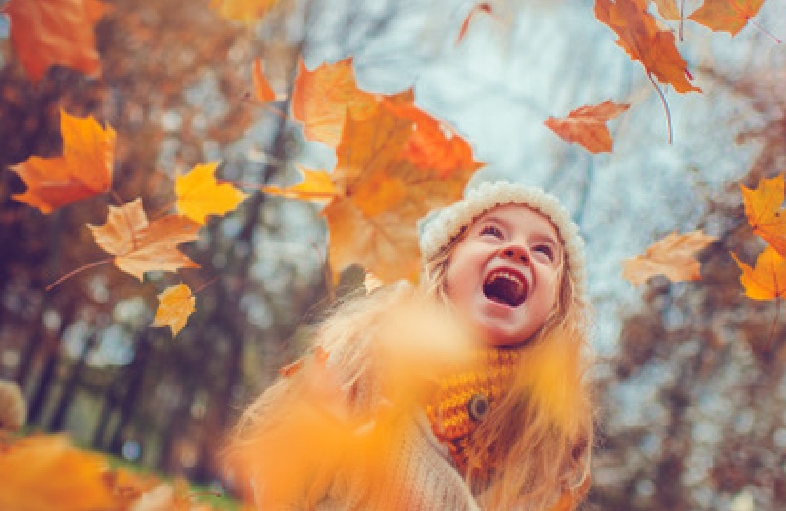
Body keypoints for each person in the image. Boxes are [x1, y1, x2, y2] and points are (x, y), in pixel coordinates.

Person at [225, 181, 594, 510]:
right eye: (493, 233)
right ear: (444, 265)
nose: (517, 250)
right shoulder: (364, 358)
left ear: (555, 309)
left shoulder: (540, 444)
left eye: (544, 252)